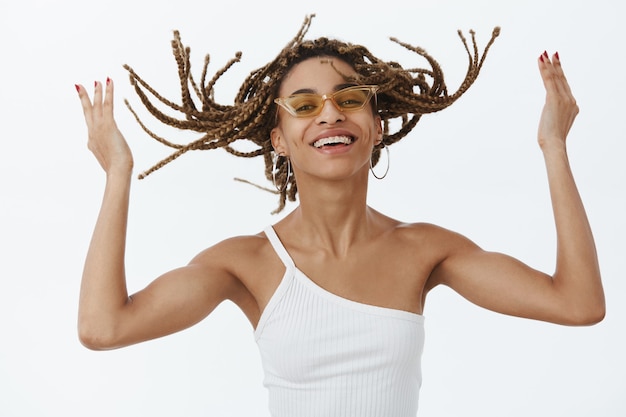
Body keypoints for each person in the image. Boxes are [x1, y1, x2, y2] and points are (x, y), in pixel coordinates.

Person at [75, 15, 605, 417]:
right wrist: (117, 174)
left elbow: (578, 303)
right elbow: (103, 328)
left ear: (375, 125)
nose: (330, 113)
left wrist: (553, 147)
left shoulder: (425, 250)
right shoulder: (247, 263)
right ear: (278, 139)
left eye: (348, 99)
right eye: (304, 105)